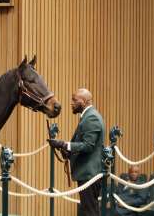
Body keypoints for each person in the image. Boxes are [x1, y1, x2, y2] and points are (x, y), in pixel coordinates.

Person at [48, 88, 105, 216]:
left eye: (74, 100)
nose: (71, 103)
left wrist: (64, 144)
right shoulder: (88, 116)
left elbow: (88, 146)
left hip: (89, 174)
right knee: (89, 210)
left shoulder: (91, 118)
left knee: (89, 211)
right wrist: (67, 151)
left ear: (84, 101)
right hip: (88, 174)